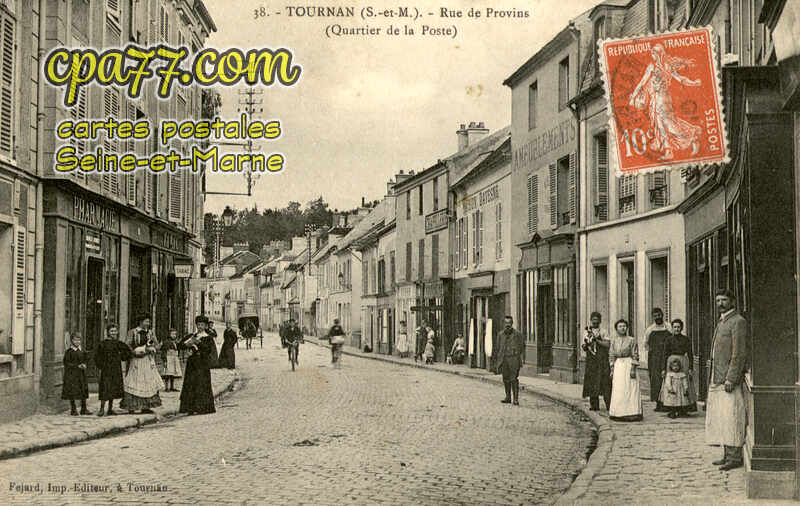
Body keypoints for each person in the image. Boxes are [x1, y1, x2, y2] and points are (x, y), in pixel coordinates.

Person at [628, 43, 702, 161]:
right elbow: (643, 82)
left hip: (661, 98)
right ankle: (670, 149)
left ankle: (690, 136)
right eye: (652, 53)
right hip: (657, 98)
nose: (653, 55)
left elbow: (680, 79)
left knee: (667, 123)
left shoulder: (661, 67)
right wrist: (693, 83)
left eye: (654, 53)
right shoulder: (661, 66)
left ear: (659, 54)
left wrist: (693, 83)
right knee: (662, 123)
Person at [706, 289, 748, 471]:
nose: (720, 304)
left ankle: (734, 456)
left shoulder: (738, 322)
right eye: (717, 300)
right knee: (722, 417)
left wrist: (731, 377)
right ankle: (726, 453)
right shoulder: (722, 321)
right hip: (718, 377)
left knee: (732, 417)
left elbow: (738, 353)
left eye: (724, 300)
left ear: (732, 301)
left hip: (729, 380)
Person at [121, 314, 164, 414]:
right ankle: (132, 406)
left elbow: (156, 345)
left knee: (147, 381)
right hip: (136, 360)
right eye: (146, 321)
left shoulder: (150, 333)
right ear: (140, 321)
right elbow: (127, 345)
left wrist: (154, 348)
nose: (148, 324)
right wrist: (134, 352)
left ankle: (146, 406)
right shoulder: (132, 332)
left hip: (147, 360)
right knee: (135, 381)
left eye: (149, 322)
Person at [178, 315, 216, 415]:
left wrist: (198, 343)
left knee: (201, 384)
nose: (200, 327)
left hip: (202, 364)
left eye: (202, 325)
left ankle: (202, 407)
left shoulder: (208, 338)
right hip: (192, 363)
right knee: (191, 384)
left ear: (206, 326)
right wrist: (188, 344)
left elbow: (208, 350)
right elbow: (180, 345)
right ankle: (190, 407)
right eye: (198, 325)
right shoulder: (192, 335)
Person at [608, 319, 643, 422]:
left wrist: (633, 368)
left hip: (628, 364)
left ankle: (632, 413)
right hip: (618, 366)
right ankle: (618, 413)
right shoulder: (614, 341)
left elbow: (635, 354)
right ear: (616, 329)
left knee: (630, 388)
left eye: (624, 326)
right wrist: (612, 369)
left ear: (627, 328)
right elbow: (611, 355)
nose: (622, 328)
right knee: (619, 389)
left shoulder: (631, 340)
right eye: (620, 326)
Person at [94, 324, 131, 416]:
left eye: (115, 331)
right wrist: (101, 366)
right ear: (108, 332)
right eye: (111, 331)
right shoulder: (103, 344)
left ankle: (110, 409)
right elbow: (97, 356)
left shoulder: (118, 343)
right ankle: (102, 408)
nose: (113, 333)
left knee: (113, 389)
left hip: (116, 369)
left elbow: (127, 351)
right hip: (106, 370)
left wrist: (122, 357)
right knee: (105, 389)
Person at [662, 318, 697, 415]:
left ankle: (683, 408)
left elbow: (690, 354)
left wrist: (690, 368)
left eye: (678, 327)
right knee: (672, 384)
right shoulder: (668, 340)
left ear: (681, 328)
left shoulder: (686, 339)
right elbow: (665, 354)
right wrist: (664, 369)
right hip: (671, 363)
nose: (676, 329)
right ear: (672, 328)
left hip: (683, 363)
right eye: (675, 327)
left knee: (683, 384)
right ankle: (672, 408)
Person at [581, 312, 612, 411]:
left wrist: (597, 340)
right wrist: (586, 345)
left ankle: (609, 405)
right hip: (591, 360)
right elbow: (584, 347)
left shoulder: (604, 331)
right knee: (592, 381)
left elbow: (607, 344)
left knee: (605, 381)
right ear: (591, 320)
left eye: (597, 319)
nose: (595, 321)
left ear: (600, 321)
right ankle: (594, 405)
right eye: (593, 319)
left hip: (602, 359)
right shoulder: (587, 332)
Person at [494, 316, 525, 406]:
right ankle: (508, 397)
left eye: (509, 323)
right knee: (505, 379)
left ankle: (515, 399)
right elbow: (498, 347)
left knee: (513, 379)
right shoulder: (500, 334)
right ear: (504, 324)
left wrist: (517, 354)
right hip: (504, 359)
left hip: (514, 359)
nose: (507, 325)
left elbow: (522, 346)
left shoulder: (517, 334)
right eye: (506, 323)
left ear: (512, 324)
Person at [644, 307, 671, 412]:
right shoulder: (650, 329)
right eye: (655, 316)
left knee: (667, 378)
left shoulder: (668, 327)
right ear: (653, 317)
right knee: (656, 380)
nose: (658, 317)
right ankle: (658, 403)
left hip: (666, 356)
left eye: (659, 315)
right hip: (654, 357)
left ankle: (667, 403)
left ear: (662, 315)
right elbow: (646, 344)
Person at [62, 332, 90, 416]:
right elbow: (66, 363)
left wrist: (84, 364)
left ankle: (83, 408)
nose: (77, 342)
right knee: (72, 391)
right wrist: (77, 366)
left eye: (79, 340)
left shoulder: (82, 351)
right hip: (72, 375)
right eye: (75, 340)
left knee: (83, 390)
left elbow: (85, 359)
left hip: (81, 374)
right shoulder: (69, 352)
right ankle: (73, 409)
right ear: (71, 341)